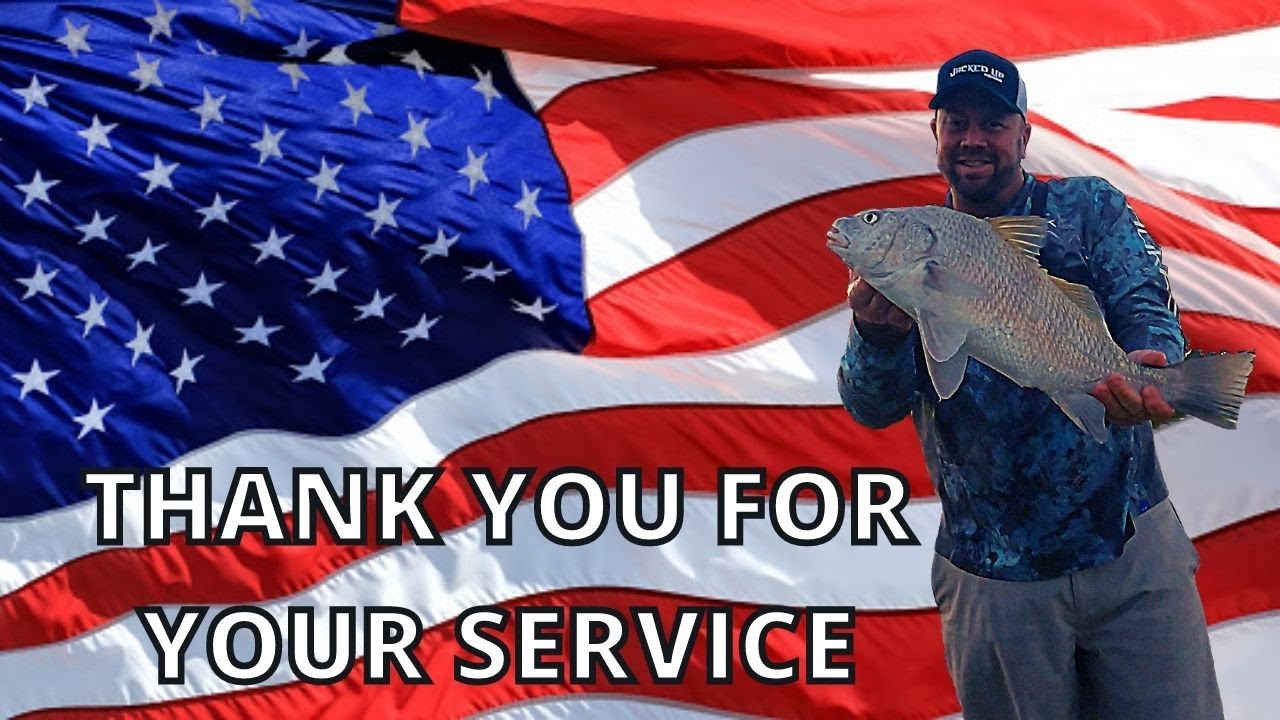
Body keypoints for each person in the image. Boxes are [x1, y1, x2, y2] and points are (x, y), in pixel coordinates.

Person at [836, 49, 1224, 719]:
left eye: (993, 123)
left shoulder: (1088, 208)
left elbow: (1142, 298)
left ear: (1023, 133)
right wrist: (879, 337)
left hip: (1132, 554)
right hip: (994, 581)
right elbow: (871, 407)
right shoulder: (907, 264)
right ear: (935, 134)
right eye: (956, 122)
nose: (973, 139)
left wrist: (1154, 361)